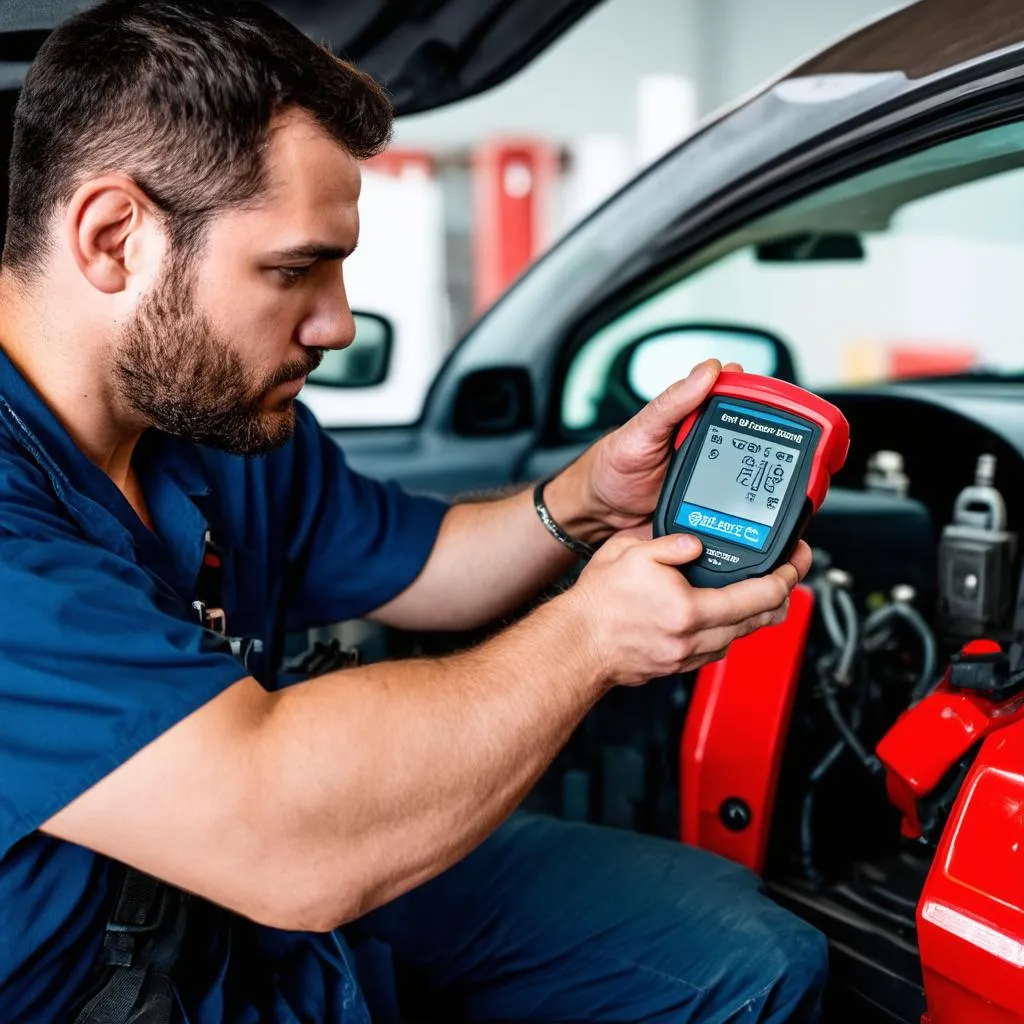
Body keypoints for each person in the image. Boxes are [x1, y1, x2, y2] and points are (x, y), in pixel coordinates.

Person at [0, 1, 828, 1021]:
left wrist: (582, 499)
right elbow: (280, 836)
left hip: (255, 938)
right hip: (112, 976)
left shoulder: (212, 422)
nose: (336, 323)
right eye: (295, 269)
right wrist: (594, 634)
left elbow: (428, 562)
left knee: (741, 956)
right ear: (115, 237)